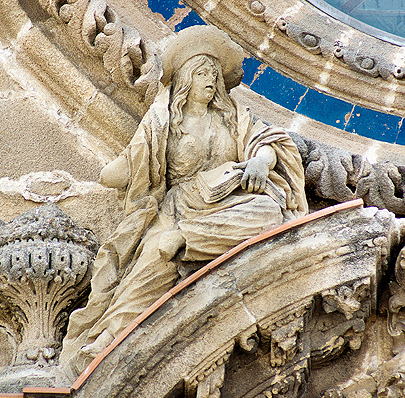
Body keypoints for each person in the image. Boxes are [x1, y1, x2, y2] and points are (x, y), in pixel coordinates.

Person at [57, 25, 308, 377]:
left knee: (270, 212)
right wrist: (126, 168)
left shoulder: (233, 116)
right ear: (187, 79)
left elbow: (266, 141)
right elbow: (126, 166)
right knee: (156, 254)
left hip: (231, 200)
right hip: (180, 207)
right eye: (203, 73)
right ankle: (109, 335)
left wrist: (259, 162)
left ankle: (188, 239)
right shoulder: (164, 121)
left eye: (215, 74)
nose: (211, 80)